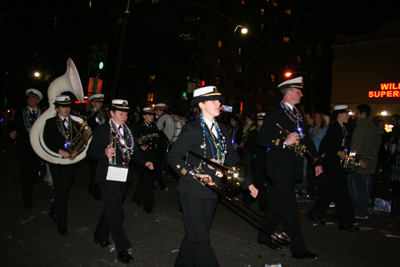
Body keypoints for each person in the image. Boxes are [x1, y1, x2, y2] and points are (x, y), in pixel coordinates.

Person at [168, 86, 258, 267]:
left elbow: (232, 157)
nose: (219, 104)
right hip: (192, 190)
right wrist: (194, 174)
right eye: (214, 100)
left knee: (194, 236)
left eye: (220, 100)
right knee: (201, 240)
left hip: (213, 190)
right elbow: (173, 157)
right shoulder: (192, 128)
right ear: (201, 104)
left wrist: (247, 183)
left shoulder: (222, 129)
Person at [256, 76, 322, 260]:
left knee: (277, 203)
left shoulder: (298, 115)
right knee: (289, 209)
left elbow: (306, 139)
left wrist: (316, 161)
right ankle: (298, 249)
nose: (301, 94)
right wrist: (283, 142)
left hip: (293, 167)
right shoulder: (275, 112)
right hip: (279, 168)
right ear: (290, 92)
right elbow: (261, 139)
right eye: (299, 90)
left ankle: (263, 235)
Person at [87, 99, 154, 264]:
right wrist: (103, 152)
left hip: (122, 175)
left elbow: (134, 153)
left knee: (111, 208)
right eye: (120, 113)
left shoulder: (128, 131)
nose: (124, 117)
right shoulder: (103, 130)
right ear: (112, 113)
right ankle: (122, 248)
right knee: (117, 212)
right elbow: (90, 153)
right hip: (106, 176)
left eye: (126, 114)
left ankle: (99, 236)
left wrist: (145, 162)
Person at [307, 105, 360, 231]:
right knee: (342, 193)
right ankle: (345, 222)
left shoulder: (342, 128)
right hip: (332, 164)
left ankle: (315, 214)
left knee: (329, 191)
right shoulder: (335, 128)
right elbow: (325, 145)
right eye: (346, 114)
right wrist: (337, 153)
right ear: (340, 115)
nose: (348, 116)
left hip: (335, 164)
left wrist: (356, 160)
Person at [43, 95, 79, 235]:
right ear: (57, 108)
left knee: (65, 189)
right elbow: (47, 142)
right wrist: (59, 151)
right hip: (56, 161)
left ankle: (53, 211)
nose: (66, 109)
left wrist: (77, 149)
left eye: (68, 106)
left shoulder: (74, 122)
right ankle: (62, 224)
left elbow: (78, 139)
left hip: (70, 161)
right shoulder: (51, 122)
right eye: (63, 107)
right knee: (61, 191)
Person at [9, 88, 43, 209]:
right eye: (29, 98)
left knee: (33, 172)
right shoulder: (21, 112)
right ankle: (26, 198)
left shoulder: (42, 113)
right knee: (26, 171)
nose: (30, 100)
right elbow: (13, 126)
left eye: (33, 98)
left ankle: (29, 192)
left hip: (37, 147)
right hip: (24, 146)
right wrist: (12, 132)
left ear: (38, 101)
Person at [348, 104, 381, 220]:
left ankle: (360, 212)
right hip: (369, 163)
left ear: (363, 114)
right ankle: (362, 211)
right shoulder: (373, 127)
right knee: (363, 188)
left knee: (357, 190)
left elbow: (355, 147)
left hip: (360, 164)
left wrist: (352, 161)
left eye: (357, 112)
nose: (355, 115)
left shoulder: (362, 127)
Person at [132, 107, 166, 213]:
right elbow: (132, 140)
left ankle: (136, 198)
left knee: (145, 180)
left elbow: (158, 138)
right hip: (141, 158)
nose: (152, 116)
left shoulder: (153, 126)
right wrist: (140, 145)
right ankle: (148, 205)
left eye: (152, 114)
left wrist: (167, 144)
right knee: (147, 181)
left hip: (151, 157)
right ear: (144, 116)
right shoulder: (138, 126)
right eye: (150, 115)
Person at [244, 112, 270, 211]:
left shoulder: (268, 132)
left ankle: (247, 198)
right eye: (259, 121)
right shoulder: (254, 133)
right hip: (256, 160)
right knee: (259, 181)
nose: (260, 123)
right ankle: (264, 204)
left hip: (266, 160)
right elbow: (249, 146)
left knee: (257, 181)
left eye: (262, 121)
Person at [84, 93, 107, 200]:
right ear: (92, 103)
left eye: (101, 102)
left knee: (100, 167)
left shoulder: (104, 114)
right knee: (94, 168)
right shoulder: (88, 115)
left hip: (102, 144)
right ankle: (95, 190)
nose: (100, 104)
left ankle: (94, 188)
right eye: (98, 102)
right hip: (92, 143)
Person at [307, 111, 328, 198]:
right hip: (312, 154)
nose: (316, 119)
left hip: (320, 154)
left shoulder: (324, 129)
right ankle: (311, 192)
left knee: (320, 175)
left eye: (317, 117)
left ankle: (319, 192)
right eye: (315, 117)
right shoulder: (312, 128)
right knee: (311, 174)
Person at [153, 102, 170, 191]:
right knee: (157, 166)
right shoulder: (153, 121)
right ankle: (161, 186)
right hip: (156, 146)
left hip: (161, 146)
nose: (161, 112)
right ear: (155, 111)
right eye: (160, 110)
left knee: (157, 165)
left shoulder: (164, 120)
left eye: (162, 111)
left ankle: (153, 183)